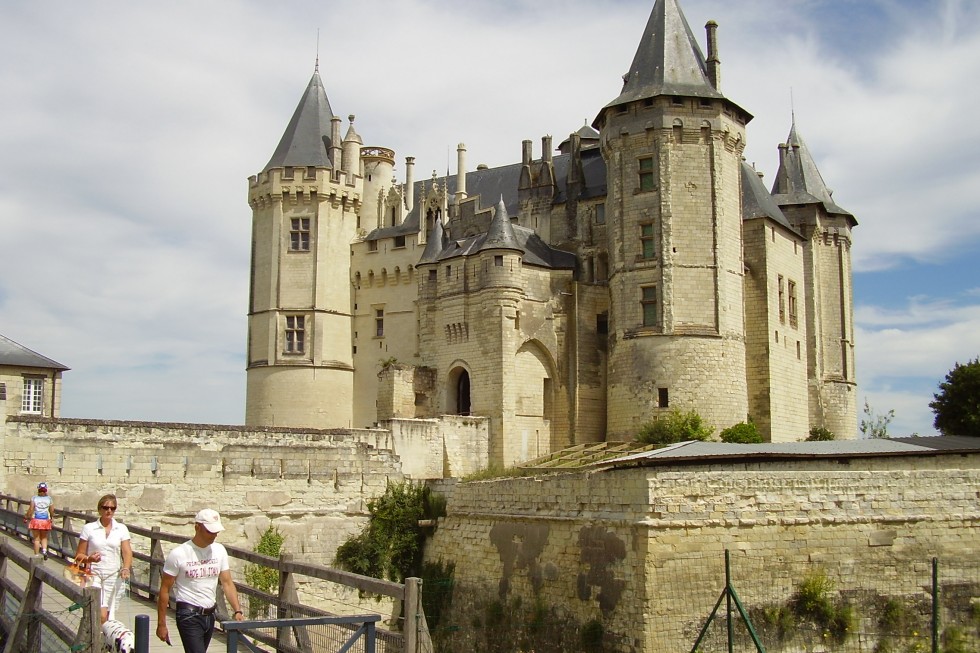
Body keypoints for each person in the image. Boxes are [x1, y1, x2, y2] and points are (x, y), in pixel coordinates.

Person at [156, 509, 245, 652]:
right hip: (188, 613)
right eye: (210, 531)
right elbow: (165, 589)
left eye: (216, 531)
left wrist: (237, 610)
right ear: (197, 527)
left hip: (210, 615)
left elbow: (227, 582)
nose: (214, 535)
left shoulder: (219, 550)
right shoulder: (179, 554)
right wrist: (161, 624)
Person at [74, 494, 133, 623]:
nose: (109, 511)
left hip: (112, 574)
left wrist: (126, 568)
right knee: (100, 613)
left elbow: (127, 551)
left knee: (107, 615)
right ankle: (95, 639)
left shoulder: (121, 528)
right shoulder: (89, 528)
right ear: (99, 509)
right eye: (106, 507)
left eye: (113, 508)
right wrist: (89, 559)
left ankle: (98, 639)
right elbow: (78, 556)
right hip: (93, 574)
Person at [24, 482, 54, 559]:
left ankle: (36, 555)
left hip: (36, 520)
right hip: (45, 521)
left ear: (38, 489)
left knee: (37, 539)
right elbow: (51, 510)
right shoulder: (49, 499)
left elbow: (31, 509)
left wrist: (27, 517)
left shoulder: (34, 498)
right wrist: (51, 517)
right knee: (44, 537)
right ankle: (44, 551)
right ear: (46, 490)